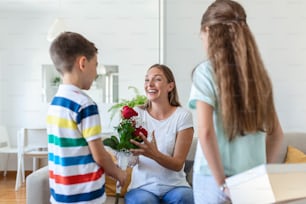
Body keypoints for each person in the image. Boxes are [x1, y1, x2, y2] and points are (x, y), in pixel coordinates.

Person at [188, 0, 284, 203]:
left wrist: (222, 183)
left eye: (202, 36)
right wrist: (260, 173)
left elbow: (205, 133)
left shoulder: (205, 72)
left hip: (211, 179)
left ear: (208, 31)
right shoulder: (259, 76)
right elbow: (277, 135)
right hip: (252, 182)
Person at [46, 32, 126, 204]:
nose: (96, 72)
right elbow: (99, 155)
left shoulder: (55, 103)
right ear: (83, 63)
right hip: (87, 195)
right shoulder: (85, 104)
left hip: (60, 194)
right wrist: (119, 173)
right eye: (95, 65)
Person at [124, 64, 195, 204]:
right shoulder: (136, 115)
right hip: (142, 188)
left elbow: (178, 164)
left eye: (157, 79)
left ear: (170, 86)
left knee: (185, 198)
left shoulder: (183, 116)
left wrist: (154, 154)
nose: (149, 84)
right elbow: (129, 162)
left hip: (175, 187)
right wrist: (129, 152)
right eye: (146, 80)